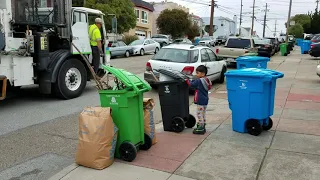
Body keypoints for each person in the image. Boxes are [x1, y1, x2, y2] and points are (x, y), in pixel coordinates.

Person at [186, 65, 212, 135]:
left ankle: (200, 127)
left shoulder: (199, 81)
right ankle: (203, 125)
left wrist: (187, 80)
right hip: (205, 100)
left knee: (199, 114)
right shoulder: (207, 80)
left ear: (203, 74)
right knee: (203, 113)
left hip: (200, 100)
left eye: (197, 73)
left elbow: (191, 85)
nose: (196, 74)